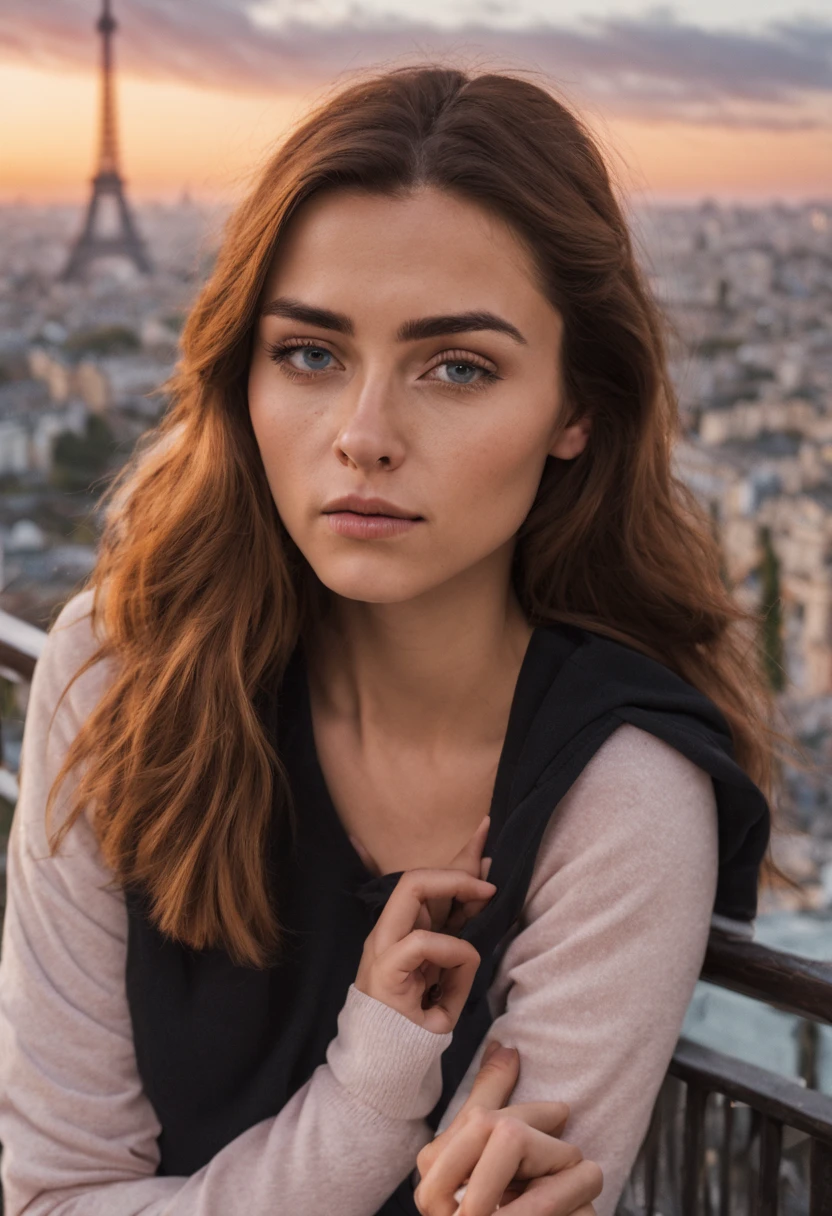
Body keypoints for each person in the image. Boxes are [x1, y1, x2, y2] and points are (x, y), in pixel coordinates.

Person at [0, 64, 773, 1216]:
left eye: (456, 367)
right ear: (241, 372)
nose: (362, 437)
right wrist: (367, 1098)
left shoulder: (630, 797)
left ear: (577, 411)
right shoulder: (117, 673)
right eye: (310, 353)